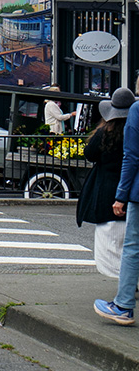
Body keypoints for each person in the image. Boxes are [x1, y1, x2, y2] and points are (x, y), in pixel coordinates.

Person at [80, 88, 135, 278]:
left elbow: (89, 154)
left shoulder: (105, 132)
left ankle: (123, 281)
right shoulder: (135, 130)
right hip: (132, 189)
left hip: (106, 193)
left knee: (110, 242)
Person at [96, 82, 139, 324]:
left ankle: (123, 305)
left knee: (132, 248)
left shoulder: (137, 110)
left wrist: (121, 195)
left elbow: (131, 155)